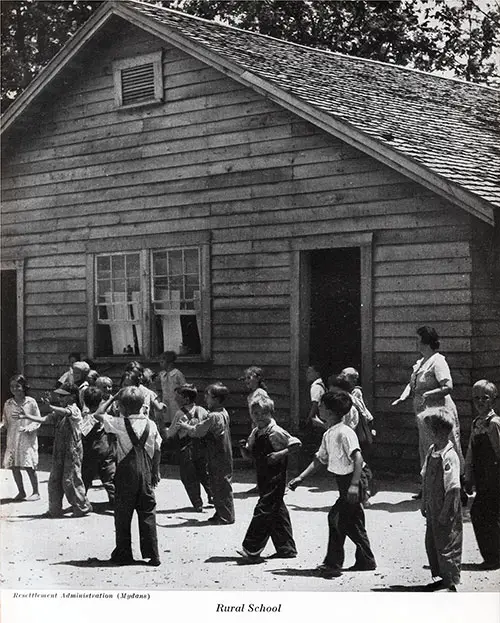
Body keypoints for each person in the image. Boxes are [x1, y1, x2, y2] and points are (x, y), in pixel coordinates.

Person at [288, 390, 376, 578]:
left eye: (321, 405)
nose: (318, 407)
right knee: (354, 523)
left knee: (336, 519)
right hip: (344, 481)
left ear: (330, 411)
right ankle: (366, 560)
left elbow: (358, 459)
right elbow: (319, 459)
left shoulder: (345, 433)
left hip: (355, 478)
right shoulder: (329, 434)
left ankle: (333, 564)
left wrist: (354, 485)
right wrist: (300, 478)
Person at [392, 326, 464, 499]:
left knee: (446, 447)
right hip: (423, 414)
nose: (415, 343)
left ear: (426, 341)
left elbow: (448, 386)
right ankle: (427, 488)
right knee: (426, 449)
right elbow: (413, 384)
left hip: (439, 413)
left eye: (417, 339)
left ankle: (457, 488)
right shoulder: (421, 363)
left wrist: (427, 394)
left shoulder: (438, 361)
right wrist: (402, 397)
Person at [93, 386, 162, 566]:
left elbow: (98, 414)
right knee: (147, 511)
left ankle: (124, 553)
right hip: (146, 472)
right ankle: (152, 554)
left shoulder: (120, 423)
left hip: (126, 473)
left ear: (121, 407)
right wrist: (156, 470)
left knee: (123, 514)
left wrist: (112, 398)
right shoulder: (151, 424)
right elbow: (158, 449)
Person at [238, 395, 301, 562]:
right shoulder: (256, 432)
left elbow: (296, 444)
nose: (258, 417)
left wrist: (280, 454)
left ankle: (252, 548)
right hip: (262, 475)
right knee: (277, 510)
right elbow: (250, 453)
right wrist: (244, 451)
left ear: (271, 413)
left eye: (262, 413)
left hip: (276, 476)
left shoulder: (276, 431)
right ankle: (286, 548)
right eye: (255, 413)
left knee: (264, 508)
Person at [23, 384, 92, 517]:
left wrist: (50, 407)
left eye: (63, 396)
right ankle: (54, 509)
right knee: (54, 478)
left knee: (70, 480)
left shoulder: (75, 410)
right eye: (59, 396)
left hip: (72, 450)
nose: (60, 398)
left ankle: (82, 506)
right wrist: (26, 416)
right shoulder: (59, 412)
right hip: (60, 449)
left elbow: (67, 412)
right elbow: (44, 419)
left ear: (72, 396)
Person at [178, 383, 235, 524]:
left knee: (219, 484)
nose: (205, 399)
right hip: (223, 453)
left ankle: (226, 516)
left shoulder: (214, 416)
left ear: (216, 399)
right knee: (219, 483)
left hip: (217, 454)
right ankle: (221, 512)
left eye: (208, 396)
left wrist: (185, 426)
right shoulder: (223, 412)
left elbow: (197, 431)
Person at [421, 407, 462, 591]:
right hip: (432, 503)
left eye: (431, 430)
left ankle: (451, 580)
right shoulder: (432, 451)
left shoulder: (449, 455)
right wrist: (424, 502)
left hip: (446, 503)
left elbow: (453, 487)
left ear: (442, 431)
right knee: (433, 540)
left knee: (448, 541)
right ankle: (441, 576)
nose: (429, 434)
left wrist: (446, 511)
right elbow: (425, 478)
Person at [464, 380, 500, 570]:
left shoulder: (494, 424)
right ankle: (492, 555)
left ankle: (494, 557)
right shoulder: (476, 423)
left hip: (494, 477)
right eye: (476, 398)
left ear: (493, 400)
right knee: (481, 513)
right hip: (482, 477)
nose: (480, 402)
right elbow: (471, 451)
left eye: (484, 398)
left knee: (483, 513)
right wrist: (468, 476)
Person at [165, 384, 213, 512]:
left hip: (186, 448)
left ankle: (197, 503)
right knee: (204, 473)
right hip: (201, 447)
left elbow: (170, 433)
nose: (175, 399)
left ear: (185, 399)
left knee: (189, 476)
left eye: (177, 397)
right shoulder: (202, 410)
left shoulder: (180, 414)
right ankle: (212, 495)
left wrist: (166, 431)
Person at [0, 374, 41, 501]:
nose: (15, 389)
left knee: (29, 466)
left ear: (24, 387)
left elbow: (38, 420)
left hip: (27, 439)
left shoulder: (31, 402)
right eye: (12, 387)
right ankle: (21, 492)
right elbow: (5, 421)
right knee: (14, 466)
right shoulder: (8, 403)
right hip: (12, 439)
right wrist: (1, 427)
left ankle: (36, 492)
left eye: (17, 386)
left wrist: (29, 428)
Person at [338, 367, 376, 504]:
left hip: (358, 428)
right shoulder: (344, 393)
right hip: (353, 428)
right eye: (350, 377)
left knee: (360, 462)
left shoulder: (355, 393)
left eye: (345, 375)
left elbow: (363, 410)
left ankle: (365, 493)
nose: (342, 376)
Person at [81, 387, 116, 509]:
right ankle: (115, 501)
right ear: (100, 401)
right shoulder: (103, 416)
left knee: (85, 478)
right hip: (105, 449)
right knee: (109, 478)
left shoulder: (85, 416)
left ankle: (81, 502)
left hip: (89, 451)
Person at [241, 366, 269, 493]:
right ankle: (260, 483)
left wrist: (260, 425)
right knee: (257, 455)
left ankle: (264, 484)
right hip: (256, 425)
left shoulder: (260, 393)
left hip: (261, 426)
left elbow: (264, 410)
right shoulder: (252, 394)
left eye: (249, 377)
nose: (246, 381)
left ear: (258, 378)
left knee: (262, 455)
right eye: (245, 378)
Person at [157, 351, 185, 434]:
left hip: (176, 402)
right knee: (166, 419)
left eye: (162, 362)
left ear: (169, 363)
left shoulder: (177, 374)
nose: (160, 364)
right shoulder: (162, 374)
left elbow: (184, 387)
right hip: (165, 401)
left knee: (176, 418)